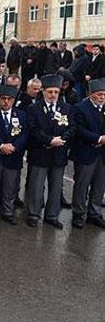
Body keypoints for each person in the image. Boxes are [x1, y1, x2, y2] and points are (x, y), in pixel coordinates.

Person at [26, 74, 76, 228]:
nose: (53, 95)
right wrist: (49, 140)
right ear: (43, 91)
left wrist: (62, 139)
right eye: (50, 92)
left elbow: (72, 127)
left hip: (58, 153)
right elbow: (32, 129)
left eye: (56, 92)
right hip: (40, 152)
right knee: (36, 186)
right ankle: (34, 214)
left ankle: (52, 215)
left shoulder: (66, 108)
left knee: (56, 187)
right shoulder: (34, 108)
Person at [0, 85, 28, 224]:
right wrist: (1, 145)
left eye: (10, 99)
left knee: (10, 186)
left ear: (13, 100)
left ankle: (8, 211)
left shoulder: (21, 115)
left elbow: (25, 134)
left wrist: (14, 146)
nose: (6, 102)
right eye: (3, 99)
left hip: (13, 156)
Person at [70, 78, 105, 229]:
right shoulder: (80, 108)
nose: (102, 97)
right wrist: (98, 138)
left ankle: (94, 213)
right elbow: (78, 129)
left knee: (99, 185)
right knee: (82, 185)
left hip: (102, 154)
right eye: (99, 94)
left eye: (104, 94)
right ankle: (78, 213)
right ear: (90, 94)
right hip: (85, 152)